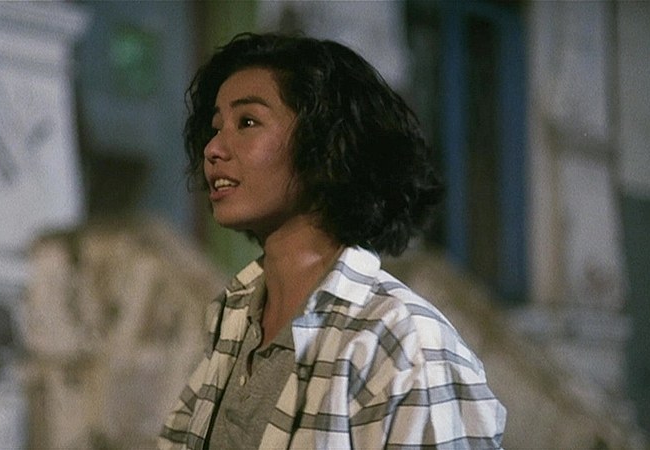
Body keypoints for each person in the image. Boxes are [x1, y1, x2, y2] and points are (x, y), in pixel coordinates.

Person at [159, 32, 506, 449]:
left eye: (247, 122)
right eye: (215, 128)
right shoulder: (233, 318)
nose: (213, 148)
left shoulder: (405, 344)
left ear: (325, 144)